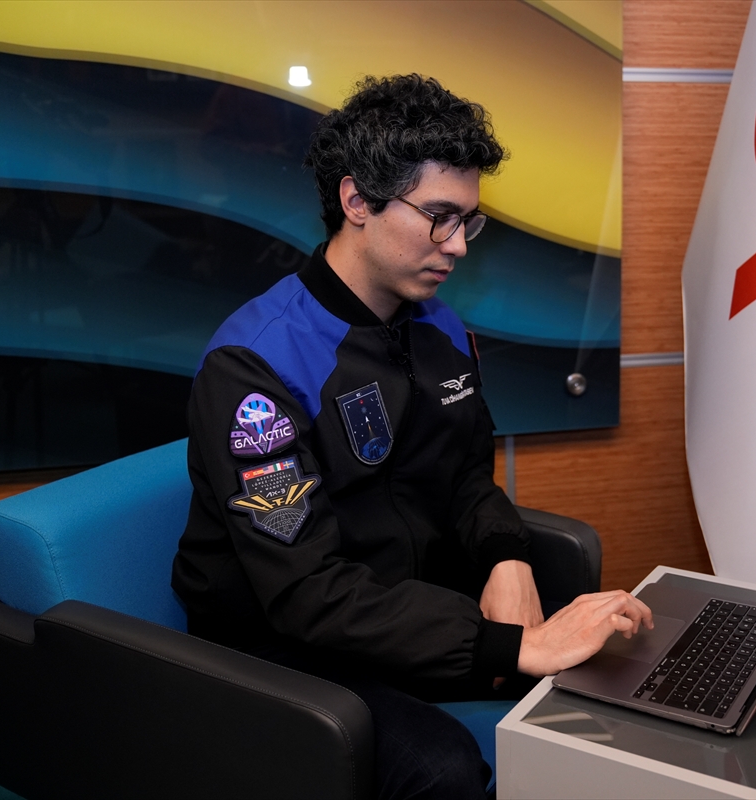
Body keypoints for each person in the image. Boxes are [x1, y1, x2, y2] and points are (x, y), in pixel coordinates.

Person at [171, 74, 652, 799]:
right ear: (357, 201)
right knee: (441, 766)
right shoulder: (255, 367)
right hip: (281, 643)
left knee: (610, 670)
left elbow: (465, 476)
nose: (458, 247)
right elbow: (306, 592)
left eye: (468, 222)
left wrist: (506, 556)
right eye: (438, 217)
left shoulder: (440, 327)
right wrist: (512, 645)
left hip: (401, 605)